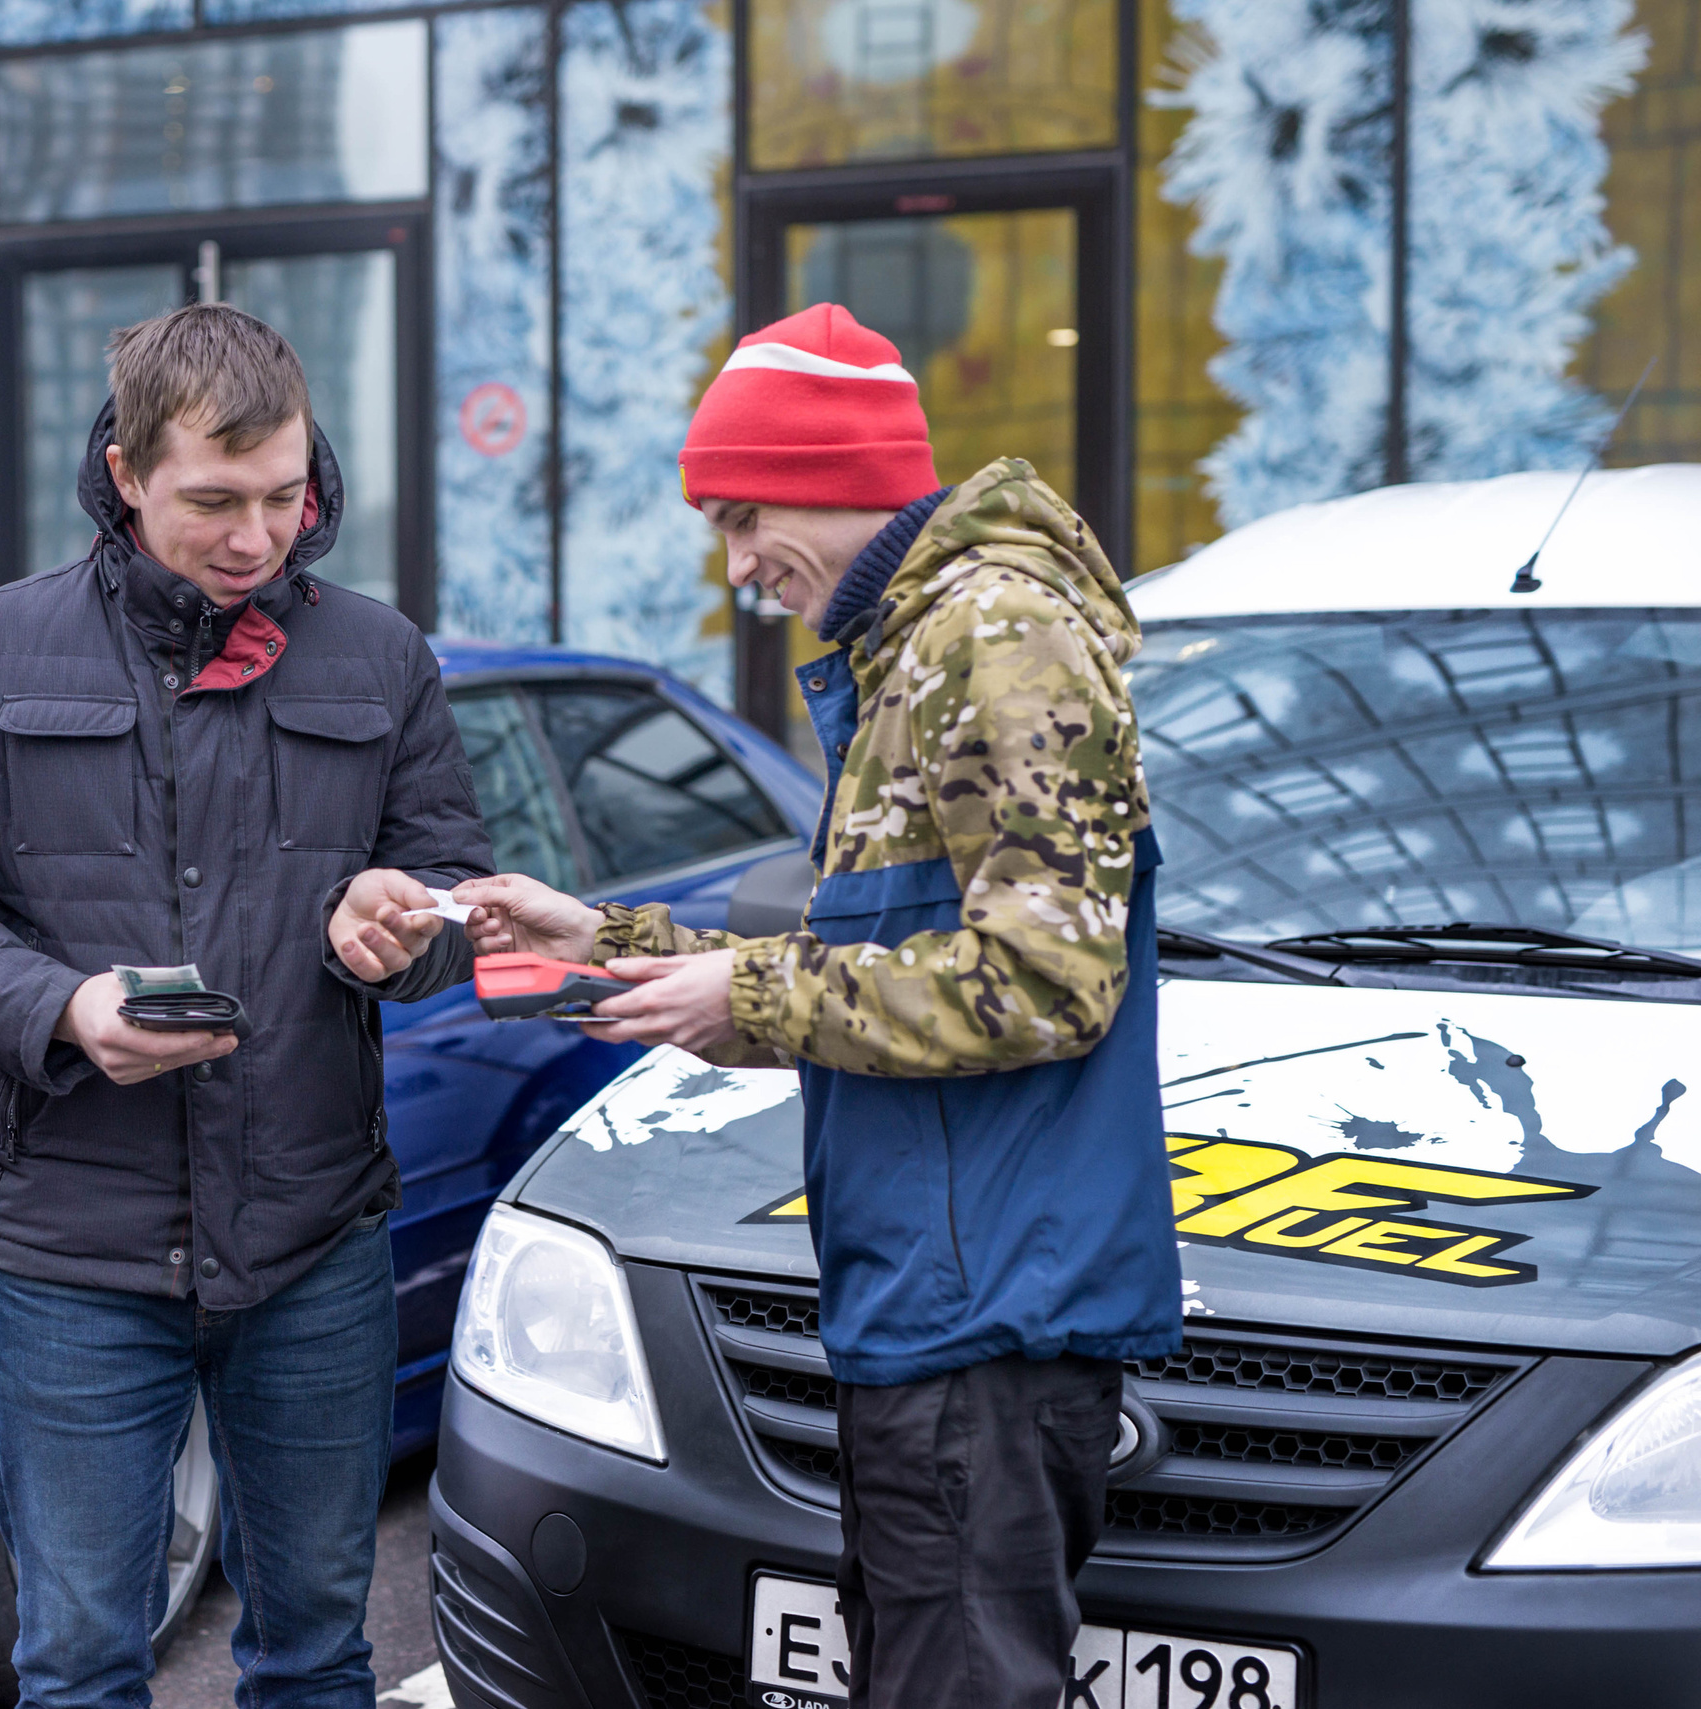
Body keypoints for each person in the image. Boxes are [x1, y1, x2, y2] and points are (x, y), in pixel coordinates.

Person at [456, 303, 1180, 1709]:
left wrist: (756, 993)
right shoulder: (915, 651)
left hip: (984, 1321)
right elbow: (856, 959)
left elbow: (1046, 981)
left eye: (741, 518)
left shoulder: (997, 634)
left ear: (837, 477)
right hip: (937, 1303)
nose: (736, 567)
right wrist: (597, 939)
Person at [0, 303, 491, 1709]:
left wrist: (405, 932)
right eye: (214, 500)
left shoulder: (380, 660)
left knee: (319, 1649)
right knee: (76, 1661)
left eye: (284, 495)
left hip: (317, 1242)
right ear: (127, 468)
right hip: (79, 1254)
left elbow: (460, 899)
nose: (258, 537)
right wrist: (63, 1005)